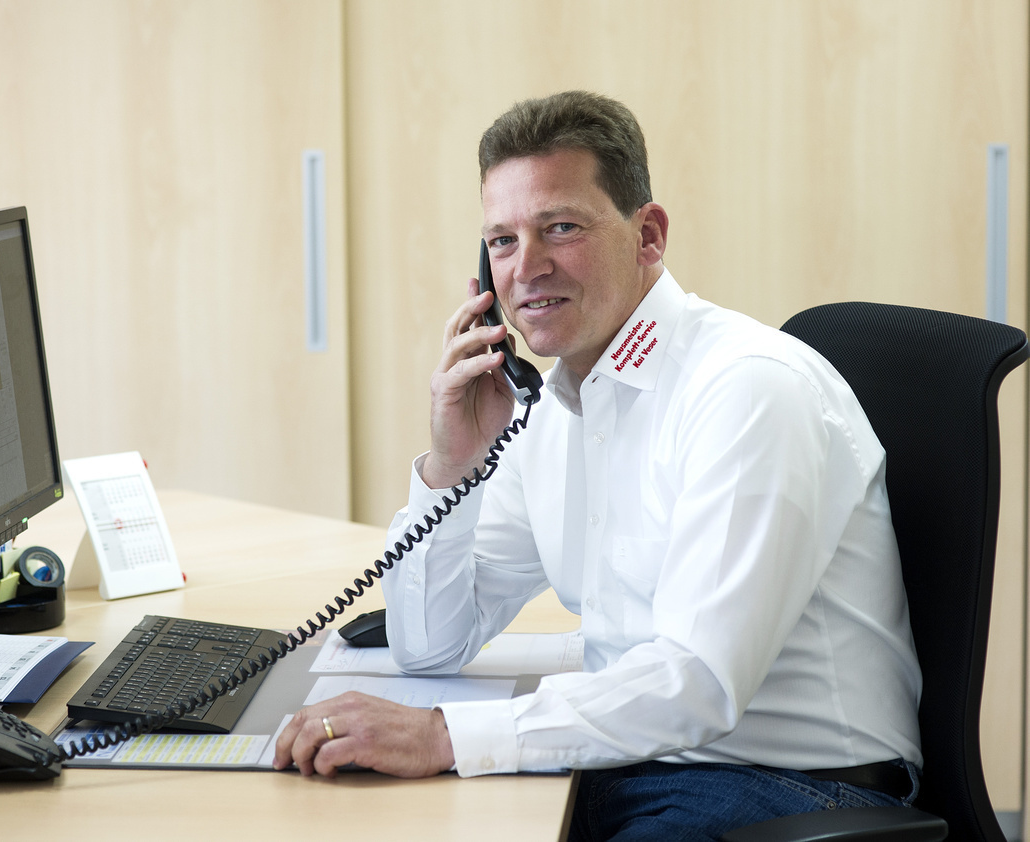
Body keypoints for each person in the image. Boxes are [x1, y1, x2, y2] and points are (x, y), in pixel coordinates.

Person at [274, 90, 923, 841]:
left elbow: (697, 682)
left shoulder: (747, 390)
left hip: (789, 788)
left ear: (648, 235)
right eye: (503, 241)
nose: (527, 268)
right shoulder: (550, 407)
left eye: (561, 228)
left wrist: (444, 736)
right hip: (637, 763)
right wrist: (452, 469)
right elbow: (430, 645)